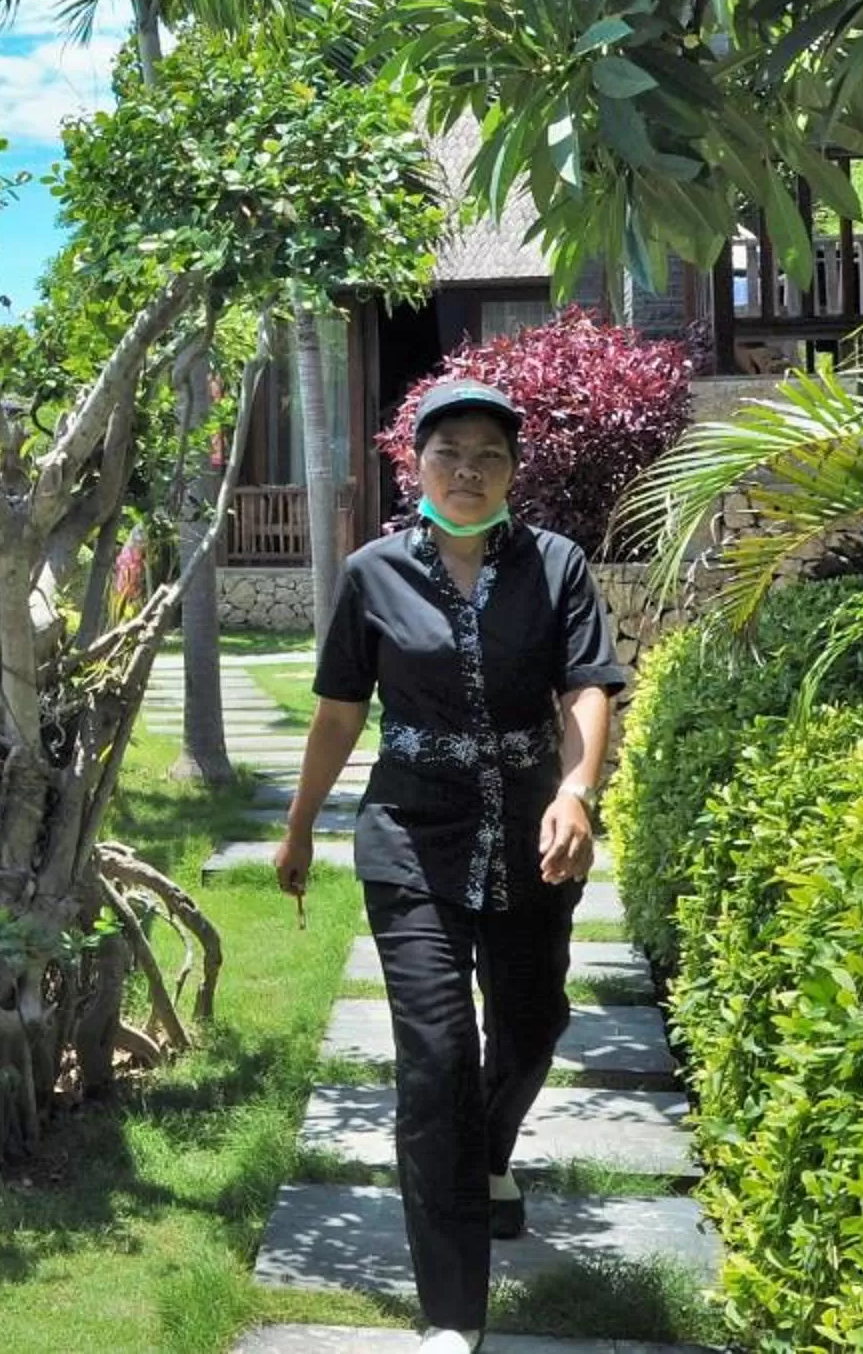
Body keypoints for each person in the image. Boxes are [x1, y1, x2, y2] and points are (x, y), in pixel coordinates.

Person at [273, 379, 624, 1354]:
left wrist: (577, 790)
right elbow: (341, 713)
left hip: (529, 834)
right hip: (410, 837)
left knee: (533, 1019)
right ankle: (452, 1313)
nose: (468, 472)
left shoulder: (555, 567)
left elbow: (588, 687)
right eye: (448, 454)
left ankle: (493, 1152)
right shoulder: (372, 574)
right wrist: (300, 827)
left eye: (489, 457)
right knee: (434, 1064)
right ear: (415, 465)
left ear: (514, 471)